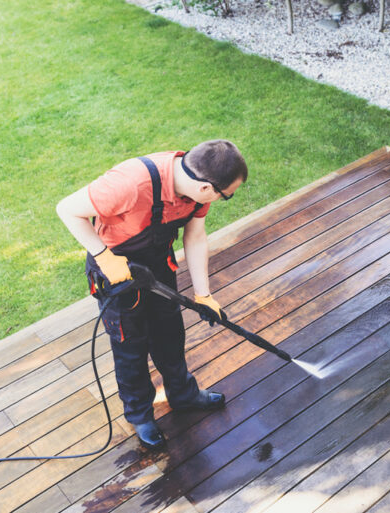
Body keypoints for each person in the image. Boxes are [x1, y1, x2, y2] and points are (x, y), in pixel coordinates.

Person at [56, 139, 247, 450]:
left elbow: (195, 236)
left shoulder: (197, 193)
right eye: (226, 196)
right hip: (116, 272)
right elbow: (66, 209)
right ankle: (140, 414)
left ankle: (183, 395)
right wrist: (104, 257)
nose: (225, 199)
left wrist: (203, 294)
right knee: (130, 347)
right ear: (206, 188)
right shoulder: (130, 184)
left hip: (157, 263)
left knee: (170, 333)